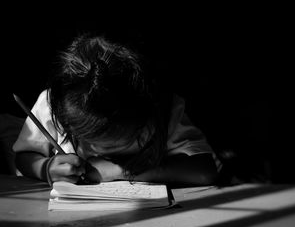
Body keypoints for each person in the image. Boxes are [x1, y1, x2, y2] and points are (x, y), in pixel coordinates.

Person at [12, 34, 220, 186]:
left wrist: (118, 171)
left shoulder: (164, 108)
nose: (105, 151)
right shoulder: (53, 105)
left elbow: (204, 170)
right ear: (68, 123)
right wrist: (46, 168)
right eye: (94, 141)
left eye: (129, 138)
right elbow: (24, 156)